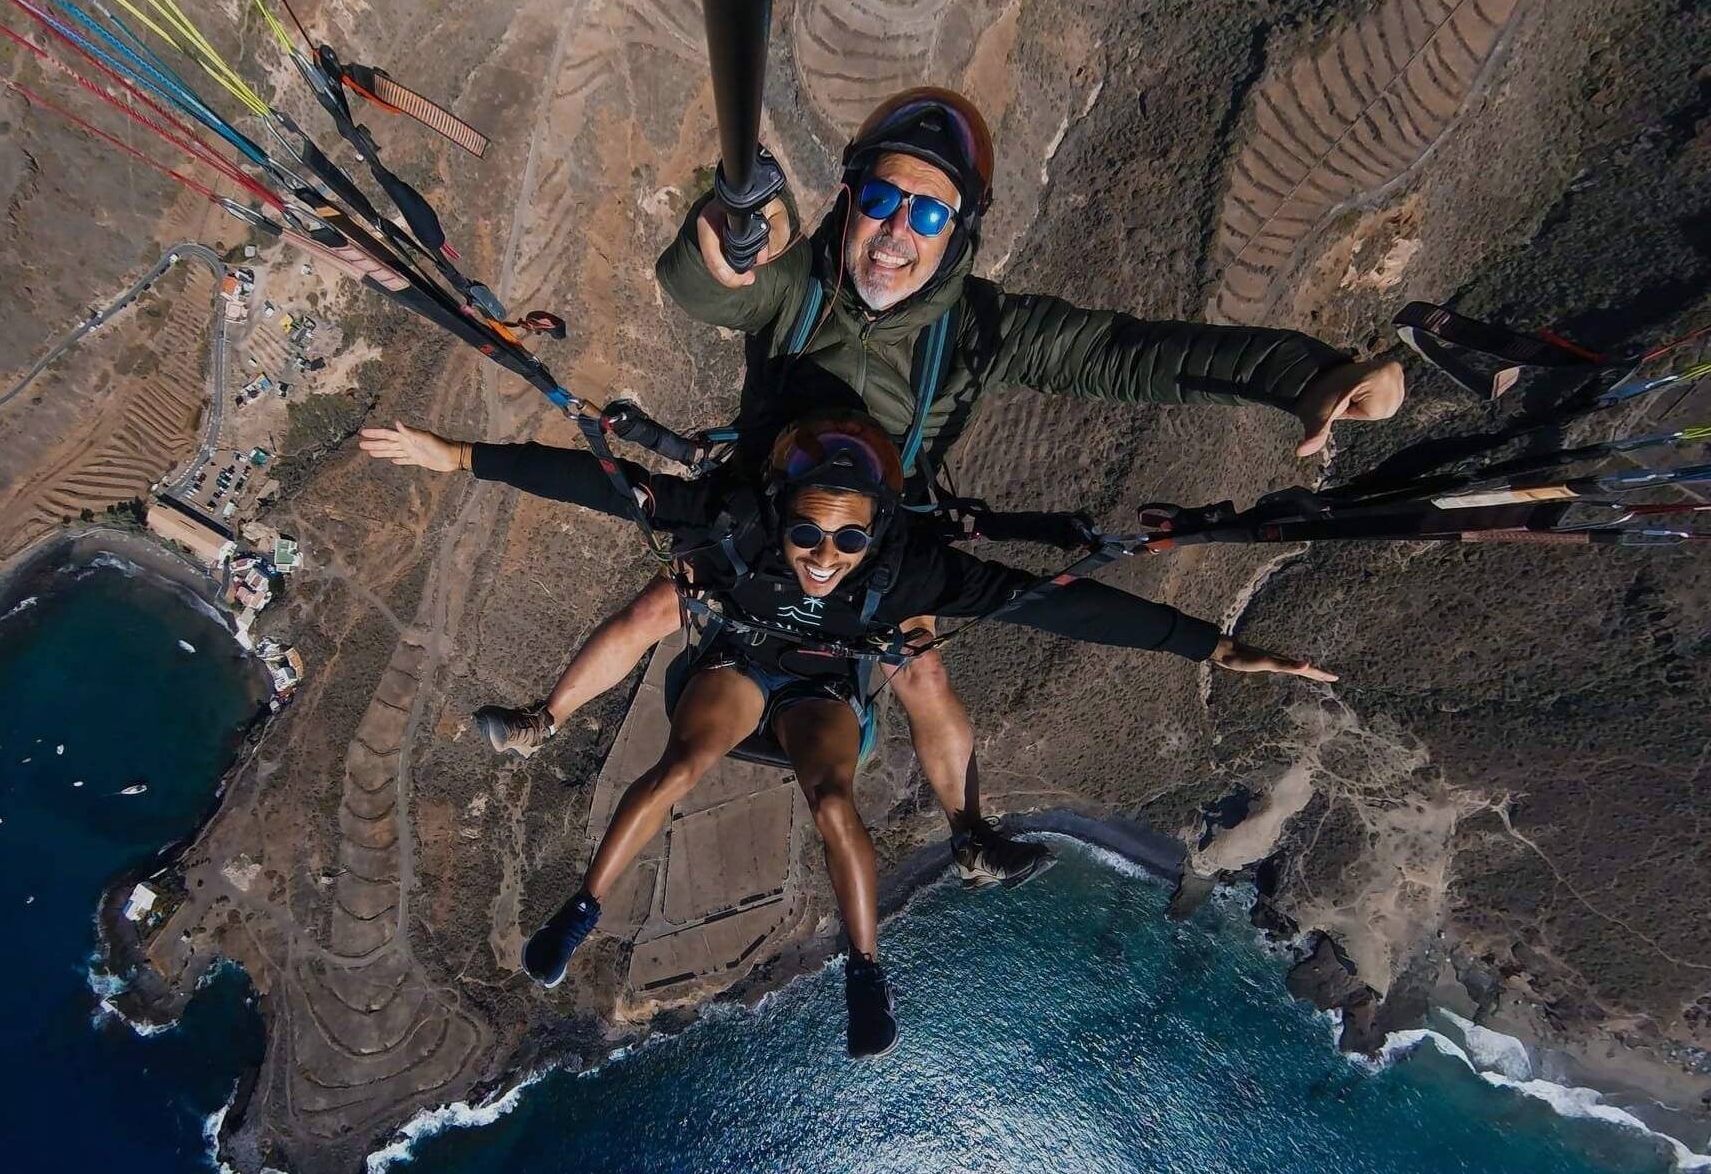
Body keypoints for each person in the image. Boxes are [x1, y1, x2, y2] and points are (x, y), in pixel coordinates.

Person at [465, 87, 1405, 890]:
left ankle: (967, 827)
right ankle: (549, 717)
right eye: (881, 200)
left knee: (918, 669)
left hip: (866, 528)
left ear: (959, 233)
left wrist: (1302, 375)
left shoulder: (984, 327)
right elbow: (717, 290)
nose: (893, 234)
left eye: (926, 215)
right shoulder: (795, 287)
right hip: (759, 517)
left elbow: (1137, 356)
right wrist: (720, 233)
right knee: (672, 613)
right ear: (848, 198)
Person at [360, 412, 1336, 1058]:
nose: (824, 557)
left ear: (877, 535)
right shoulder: (735, 525)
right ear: (780, 518)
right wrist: (457, 457)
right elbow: (604, 483)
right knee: (685, 759)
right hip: (734, 670)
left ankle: (868, 974)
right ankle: (580, 909)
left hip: (822, 693)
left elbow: (1067, 609)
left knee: (834, 799)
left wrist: (1214, 646)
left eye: (848, 541)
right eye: (808, 536)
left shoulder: (909, 575)